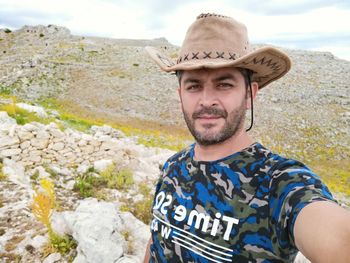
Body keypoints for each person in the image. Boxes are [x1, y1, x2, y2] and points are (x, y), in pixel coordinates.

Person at [143, 13, 350, 262]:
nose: (207, 100)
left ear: (250, 95)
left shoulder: (278, 183)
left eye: (224, 84)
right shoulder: (172, 167)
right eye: (194, 85)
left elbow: (336, 235)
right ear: (180, 94)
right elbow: (156, 240)